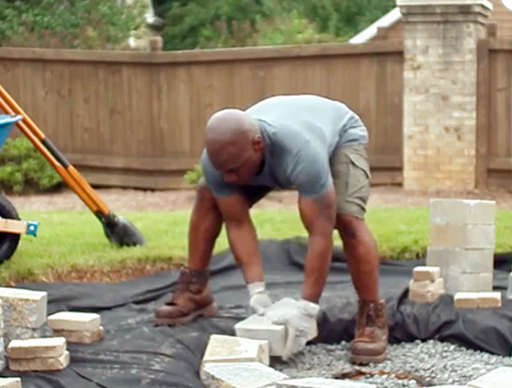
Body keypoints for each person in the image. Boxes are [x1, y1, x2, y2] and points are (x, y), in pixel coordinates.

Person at [153, 94, 388, 365]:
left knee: (346, 218)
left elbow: (319, 233)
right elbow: (237, 222)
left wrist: (307, 309)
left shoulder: (303, 152)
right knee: (209, 196)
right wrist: (257, 291)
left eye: (234, 169)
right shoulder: (221, 161)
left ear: (257, 145)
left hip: (339, 134)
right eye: (223, 170)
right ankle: (195, 291)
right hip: (271, 148)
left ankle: (372, 317)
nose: (229, 178)